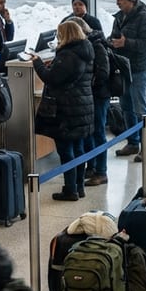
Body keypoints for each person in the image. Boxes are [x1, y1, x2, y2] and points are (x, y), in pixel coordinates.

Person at [32, 20, 94, 201]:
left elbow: (51, 78)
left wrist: (38, 64)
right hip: (81, 106)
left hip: (67, 109)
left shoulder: (69, 56)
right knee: (78, 149)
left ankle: (70, 189)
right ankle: (79, 186)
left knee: (66, 150)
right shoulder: (84, 50)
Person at [110, 0, 146, 157]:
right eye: (117, 0)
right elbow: (114, 35)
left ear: (130, 0)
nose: (118, 3)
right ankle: (133, 142)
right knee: (126, 107)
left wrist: (126, 43)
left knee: (140, 108)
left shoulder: (144, 18)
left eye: (120, 0)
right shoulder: (119, 18)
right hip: (123, 70)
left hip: (138, 70)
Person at [69, 16, 112, 188]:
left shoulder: (96, 45)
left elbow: (103, 72)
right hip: (92, 95)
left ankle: (101, 171)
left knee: (98, 132)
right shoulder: (91, 43)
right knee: (90, 132)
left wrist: (88, 84)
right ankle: (92, 166)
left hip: (99, 96)